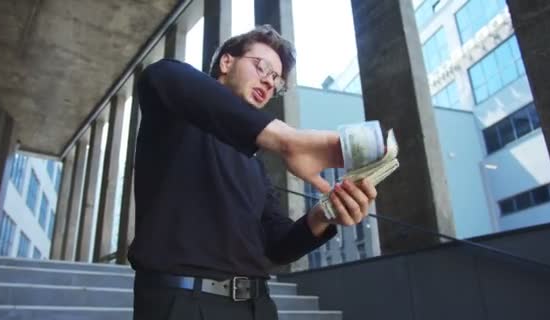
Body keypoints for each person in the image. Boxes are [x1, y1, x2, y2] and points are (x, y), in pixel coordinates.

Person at [129, 25, 377, 320]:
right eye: (263, 67)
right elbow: (161, 75)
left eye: (277, 80)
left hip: (256, 307)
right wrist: (287, 139)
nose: (269, 82)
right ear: (226, 62)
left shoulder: (254, 163)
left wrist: (325, 214)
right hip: (181, 302)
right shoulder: (176, 112)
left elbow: (277, 247)